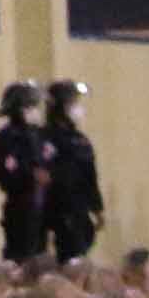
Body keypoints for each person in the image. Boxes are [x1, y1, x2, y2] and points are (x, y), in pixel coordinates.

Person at [0, 81, 53, 261]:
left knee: (41, 256)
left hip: (43, 207)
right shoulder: (5, 138)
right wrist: (29, 175)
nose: (36, 110)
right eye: (31, 105)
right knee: (20, 257)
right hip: (20, 206)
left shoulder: (40, 135)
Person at [37, 81, 101, 261]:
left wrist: (97, 208)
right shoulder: (43, 138)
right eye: (73, 103)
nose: (77, 108)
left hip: (79, 209)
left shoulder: (80, 140)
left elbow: (90, 176)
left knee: (78, 253)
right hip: (54, 208)